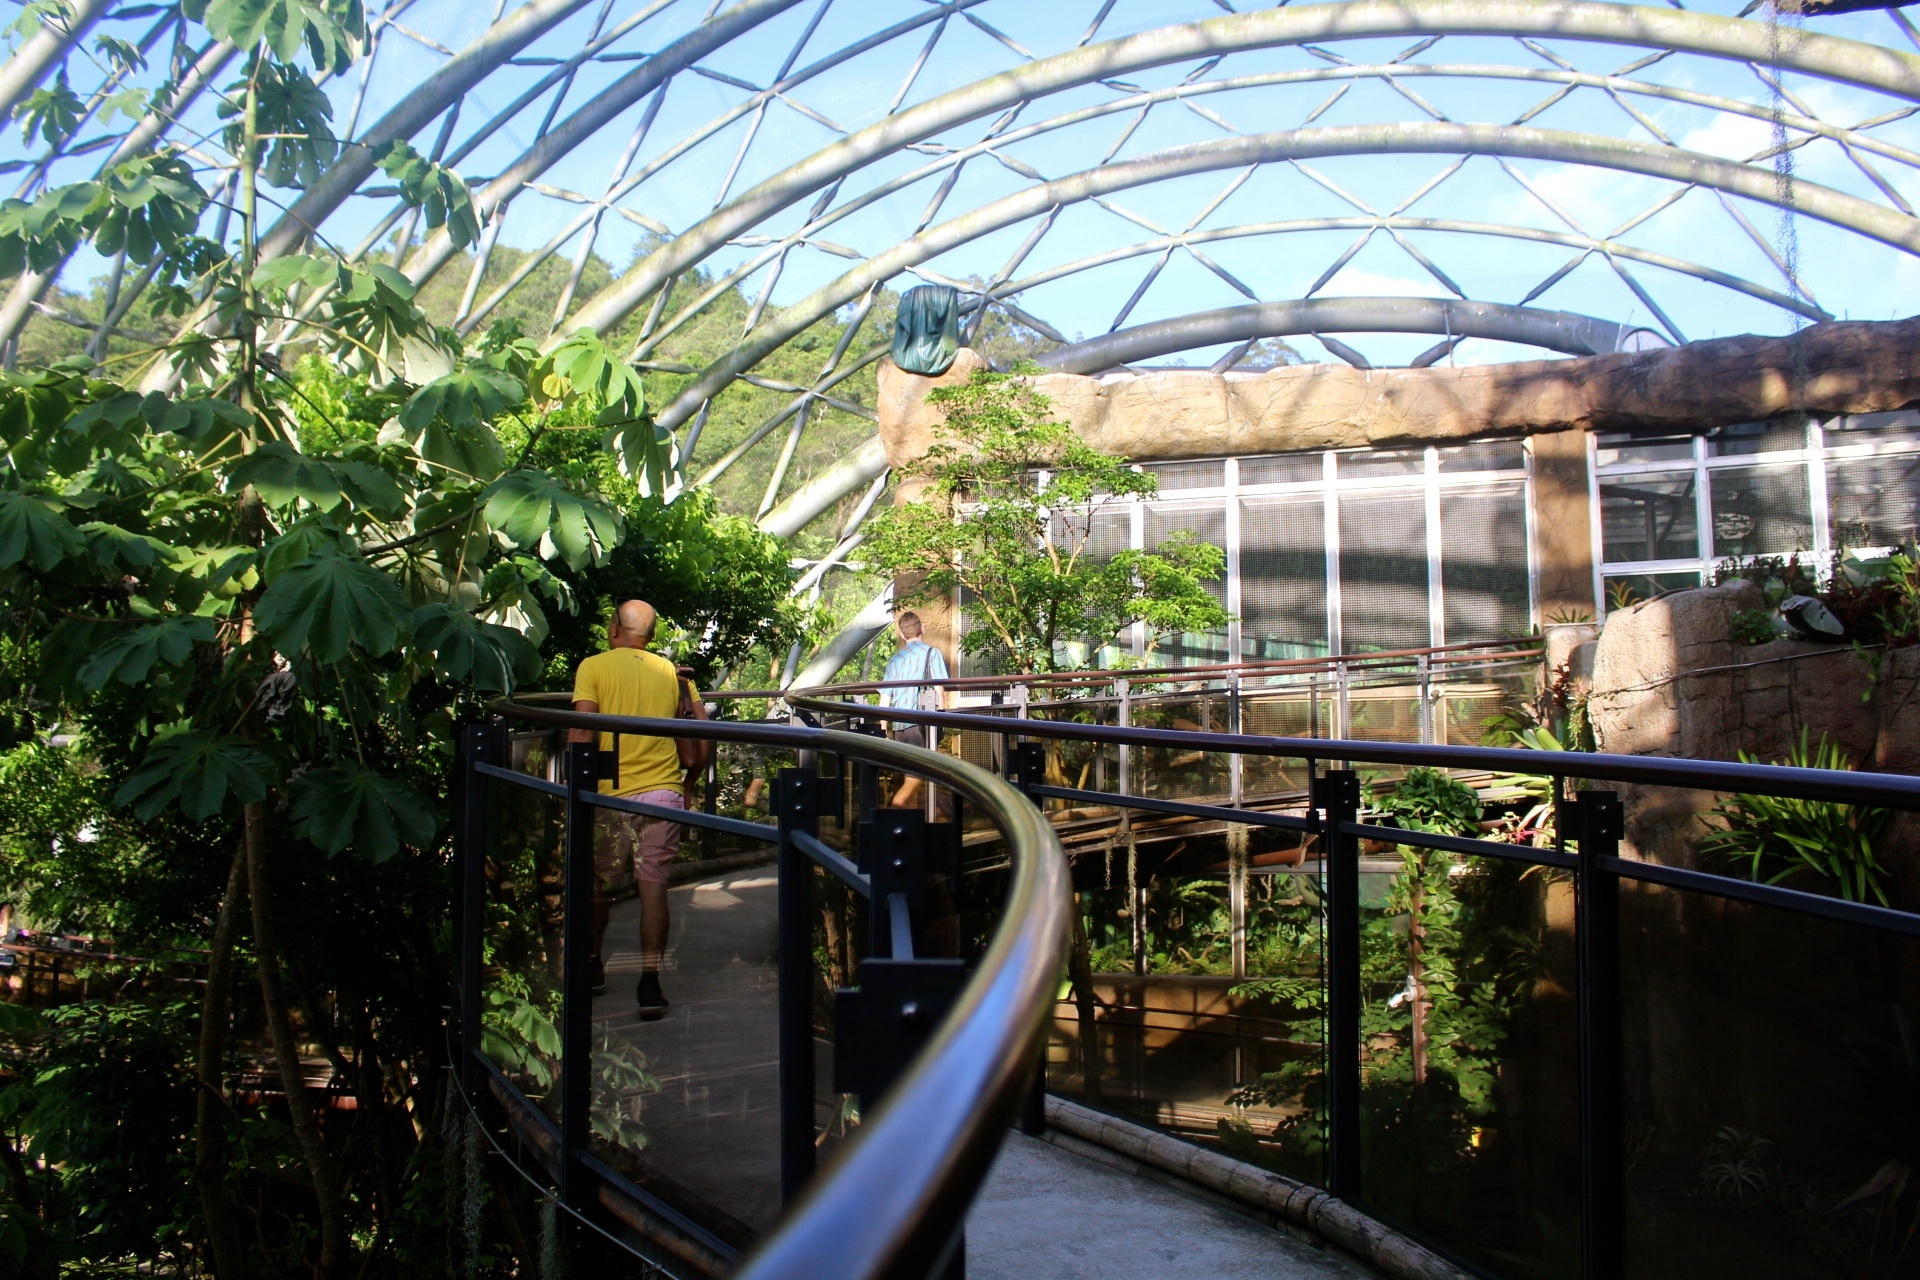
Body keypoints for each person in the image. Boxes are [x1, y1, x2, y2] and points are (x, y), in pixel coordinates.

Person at [571, 600, 710, 1020]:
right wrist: (686, 786)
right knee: (653, 888)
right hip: (663, 794)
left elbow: (582, 734)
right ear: (650, 635)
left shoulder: (593, 667)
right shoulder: (673, 674)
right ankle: (650, 982)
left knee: (597, 885)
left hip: (608, 795)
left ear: (615, 628)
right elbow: (703, 739)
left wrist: (572, 788)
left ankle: (593, 963)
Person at [881, 611, 947, 811]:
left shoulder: (894, 661)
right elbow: (939, 689)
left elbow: (885, 698)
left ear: (902, 635)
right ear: (923, 629)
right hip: (921, 724)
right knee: (916, 777)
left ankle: (912, 827)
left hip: (899, 727)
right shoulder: (931, 654)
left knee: (910, 774)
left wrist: (883, 730)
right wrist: (941, 718)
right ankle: (892, 814)